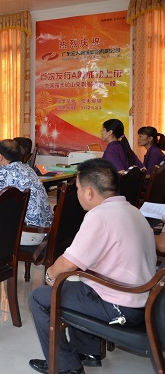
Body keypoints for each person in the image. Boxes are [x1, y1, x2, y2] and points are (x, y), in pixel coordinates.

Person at [29, 158, 157, 374]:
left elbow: (68, 263)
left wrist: (50, 276)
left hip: (121, 305)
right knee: (79, 286)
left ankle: (65, 366)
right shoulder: (133, 211)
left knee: (40, 297)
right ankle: (88, 351)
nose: (78, 194)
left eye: (78, 189)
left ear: (89, 192)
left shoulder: (99, 216)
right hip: (142, 300)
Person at [0, 139, 52, 246]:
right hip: (45, 229)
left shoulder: (5, 172)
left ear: (0, 156)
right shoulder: (27, 169)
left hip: (29, 232)